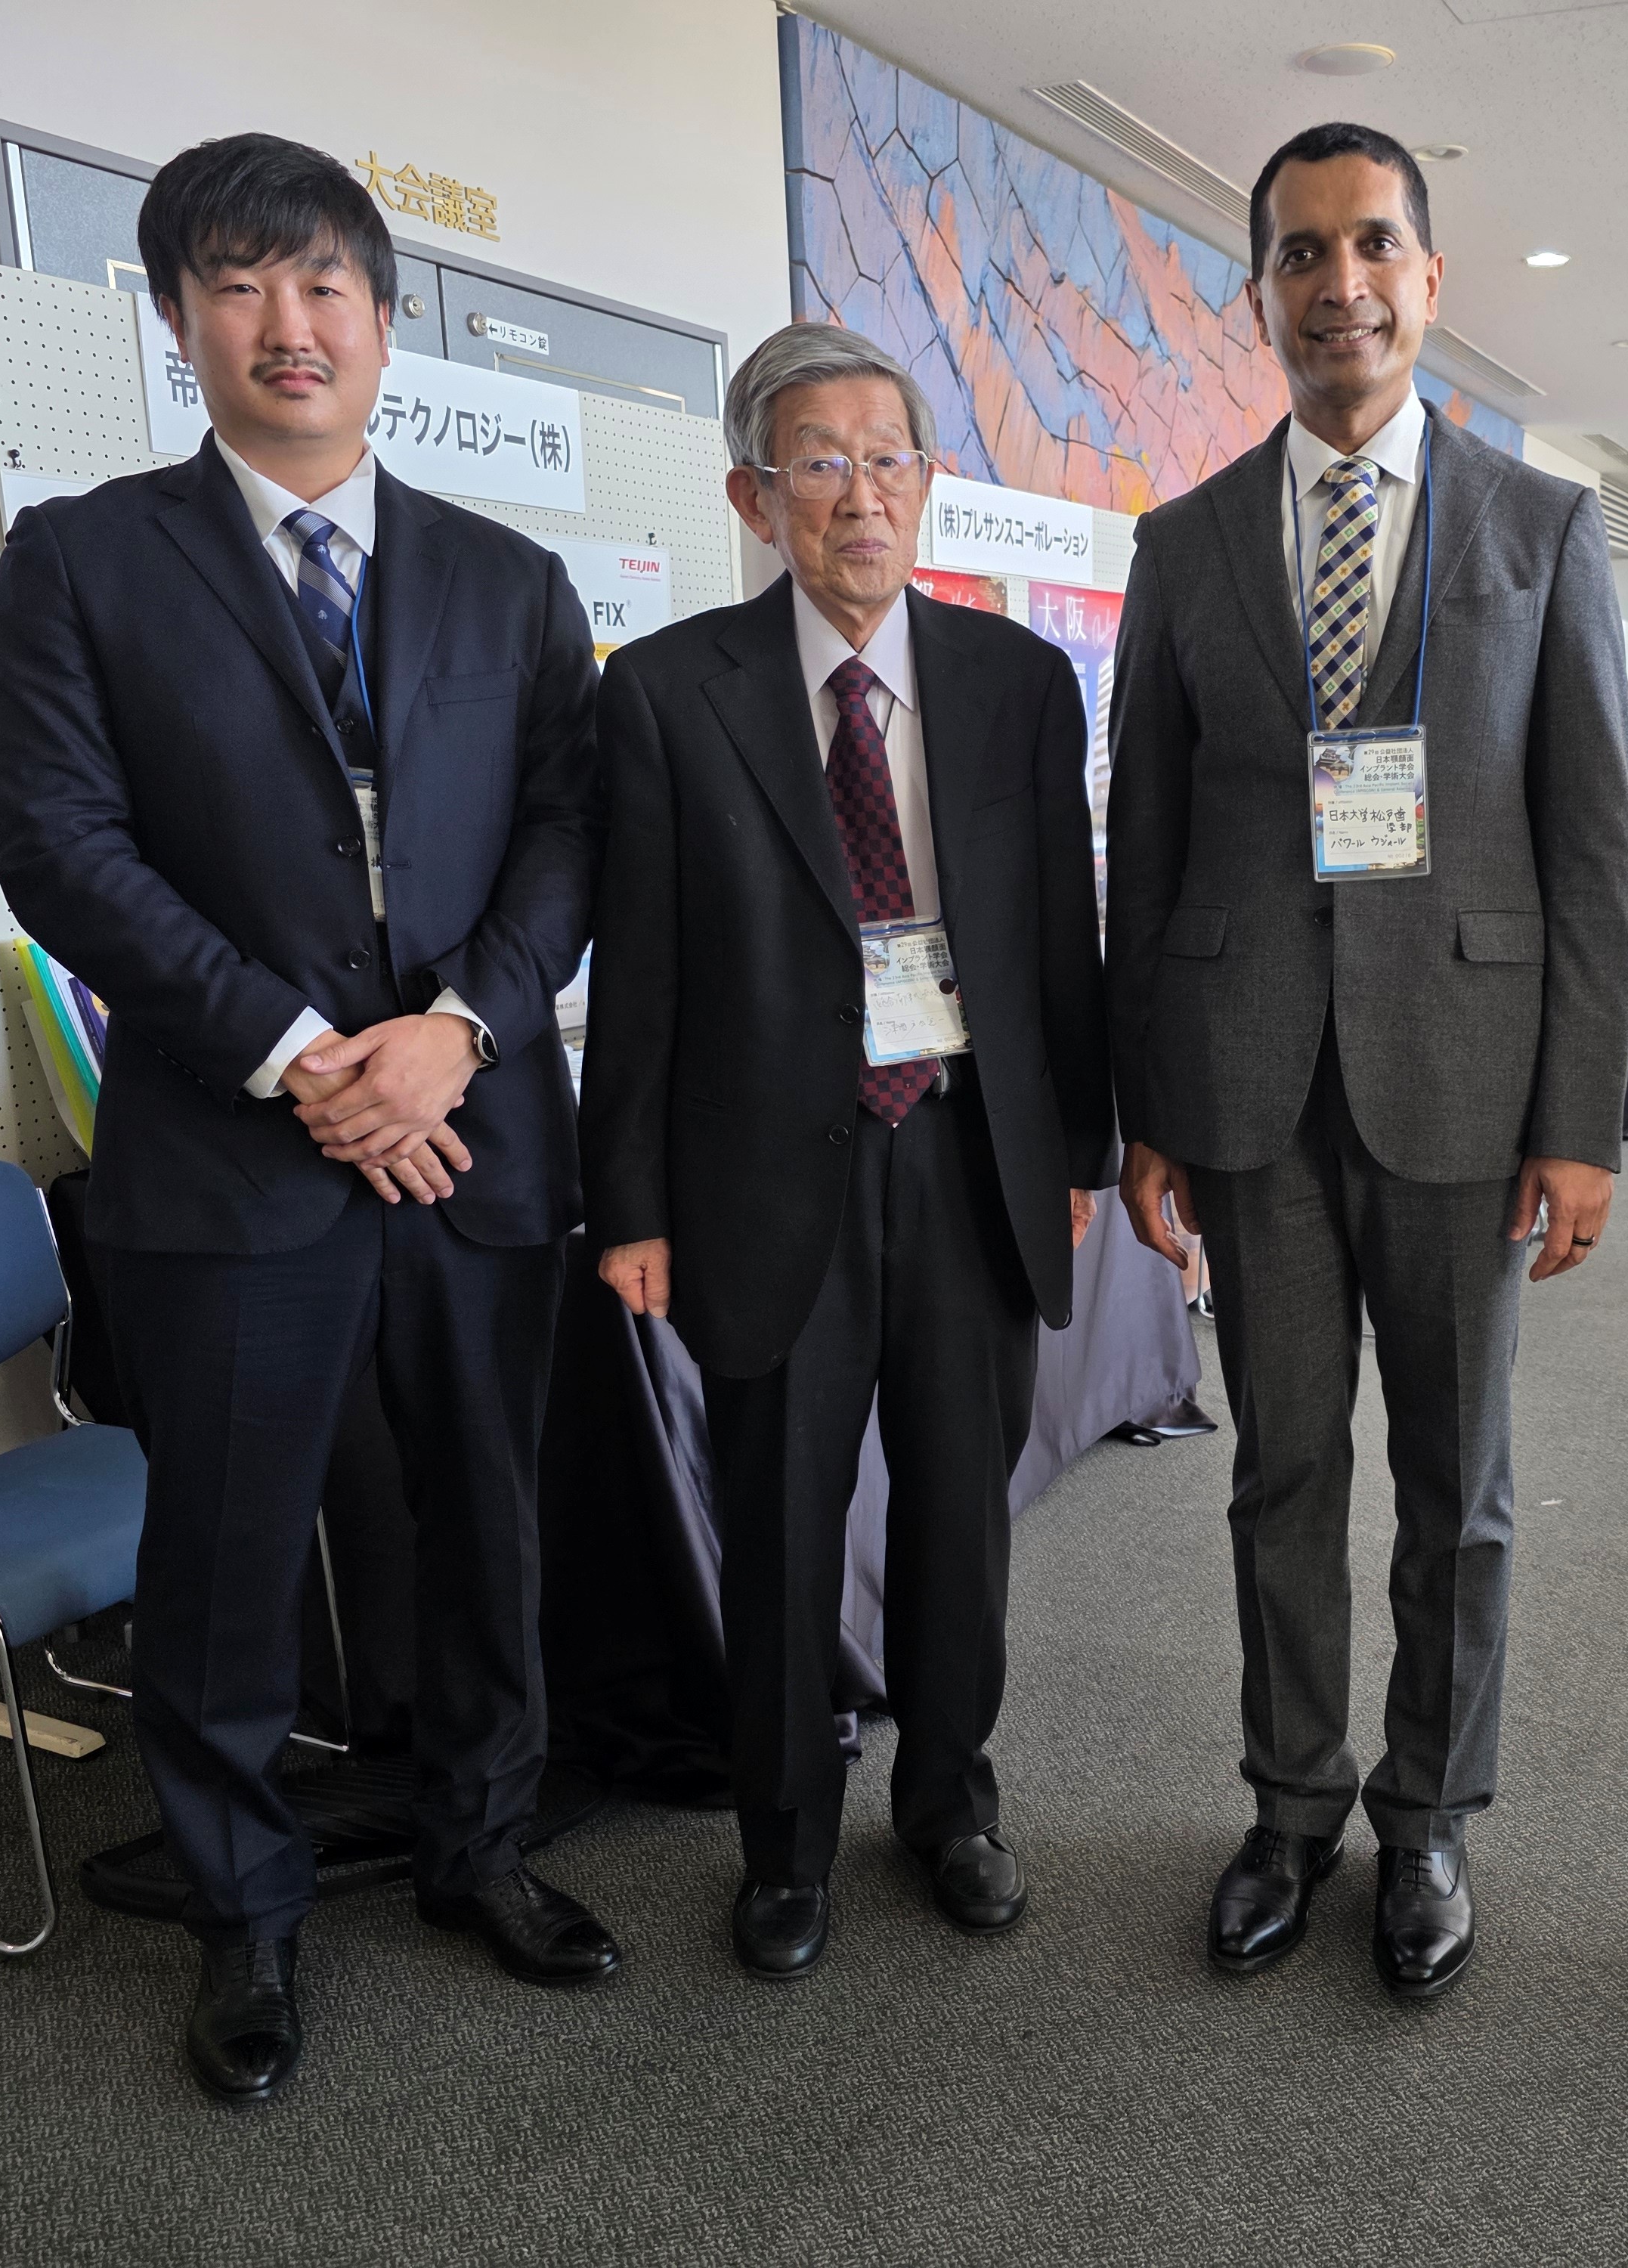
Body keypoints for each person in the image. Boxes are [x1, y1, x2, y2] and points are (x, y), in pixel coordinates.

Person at [0, 133, 614, 2103]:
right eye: (239, 285)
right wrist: (310, 1057)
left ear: (387, 321)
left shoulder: (508, 582)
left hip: (473, 1142)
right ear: (179, 320)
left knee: (491, 1525)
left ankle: (481, 1843)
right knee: (232, 1556)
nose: (288, 322)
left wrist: (460, 1033)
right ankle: (243, 1908)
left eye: (325, 282)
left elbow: (568, 833)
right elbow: (60, 847)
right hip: (232, 1157)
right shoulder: (82, 562)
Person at [1106, 121, 1628, 2001]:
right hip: (1245, 1081)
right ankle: (1289, 1804)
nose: (1337, 283)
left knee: (1455, 1483)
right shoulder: (1181, 543)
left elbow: (1585, 840)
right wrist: (1145, 1106)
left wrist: (1581, 1119)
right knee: (1280, 1471)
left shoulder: (1541, 529)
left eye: (1370, 246)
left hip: (1465, 1077)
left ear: (1427, 278)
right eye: (1299, 253)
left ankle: (1427, 1817)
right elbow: (1144, 839)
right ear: (1259, 291)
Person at [577, 323, 1113, 1980]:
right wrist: (629, 1203)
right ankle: (785, 1843)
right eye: (818, 462)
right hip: (762, 1177)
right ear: (756, 496)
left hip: (968, 1158)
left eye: (886, 459)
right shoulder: (666, 693)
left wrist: (1080, 1156)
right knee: (782, 1523)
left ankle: (949, 1806)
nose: (858, 495)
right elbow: (638, 969)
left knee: (962, 1519)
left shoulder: (1016, 684)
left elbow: (1059, 942)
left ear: (928, 482)